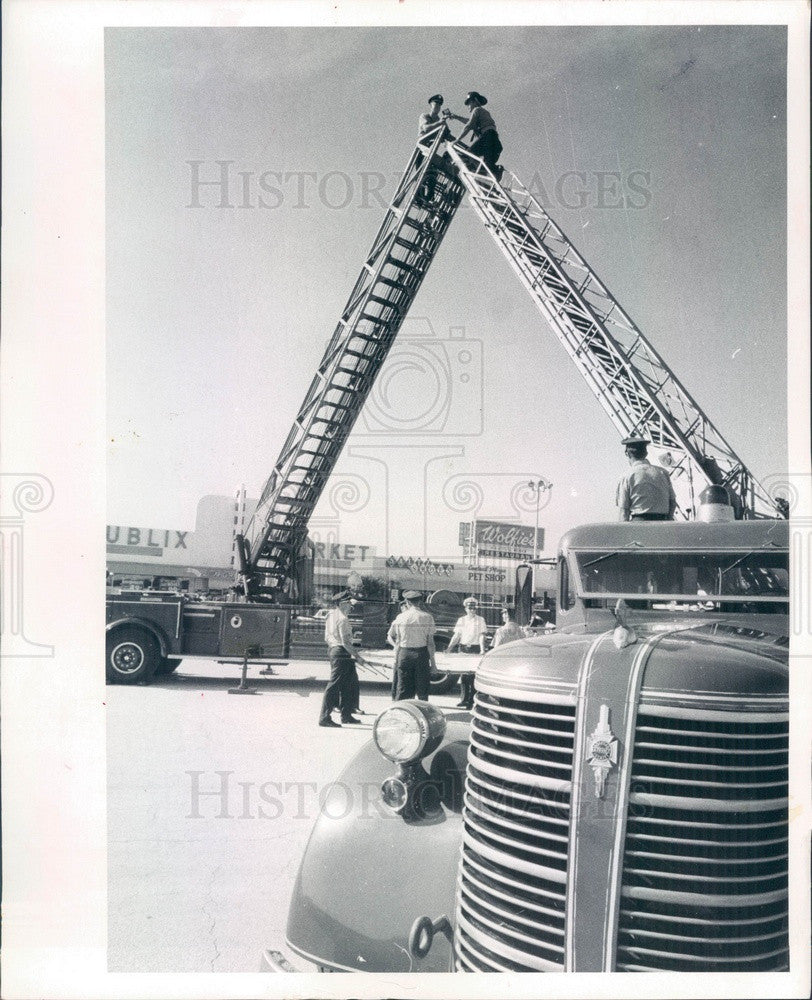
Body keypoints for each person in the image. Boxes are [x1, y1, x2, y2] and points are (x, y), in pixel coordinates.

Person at [319, 591, 368, 728]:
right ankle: (324, 717)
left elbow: (326, 638)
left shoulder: (331, 615)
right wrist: (357, 656)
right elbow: (346, 642)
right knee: (334, 685)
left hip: (335, 650)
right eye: (349, 604)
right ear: (342, 604)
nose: (351, 607)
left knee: (349, 684)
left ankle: (346, 715)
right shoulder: (342, 619)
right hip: (341, 651)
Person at [387, 590, 437, 701]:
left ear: (407, 603)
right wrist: (433, 664)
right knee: (422, 688)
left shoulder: (400, 617)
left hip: (404, 654)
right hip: (421, 654)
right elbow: (430, 643)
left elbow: (394, 637)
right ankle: (421, 712)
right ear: (419, 602)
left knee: (403, 687)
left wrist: (396, 657)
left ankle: (402, 713)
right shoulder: (427, 617)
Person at [616, 436, 678, 522]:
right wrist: (668, 519)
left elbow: (624, 512)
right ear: (646, 453)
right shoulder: (663, 473)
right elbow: (673, 503)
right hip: (663, 525)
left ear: (627, 454)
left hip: (639, 527)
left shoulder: (626, 476)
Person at [444, 91, 503, 180]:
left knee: (469, 154)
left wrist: (456, 140)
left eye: (469, 103)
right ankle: (497, 169)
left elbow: (468, 126)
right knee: (487, 166)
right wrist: (456, 117)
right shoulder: (482, 112)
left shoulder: (477, 110)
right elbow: (470, 122)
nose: (468, 106)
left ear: (475, 101)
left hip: (487, 137)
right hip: (494, 141)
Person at [446, 596, 488, 709]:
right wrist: (449, 648)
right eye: (470, 608)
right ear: (465, 608)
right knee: (464, 676)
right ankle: (463, 700)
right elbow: (457, 635)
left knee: (473, 676)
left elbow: (481, 636)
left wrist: (482, 649)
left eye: (474, 608)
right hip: (463, 649)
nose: (472, 610)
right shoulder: (461, 620)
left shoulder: (480, 620)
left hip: (474, 649)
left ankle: (471, 701)